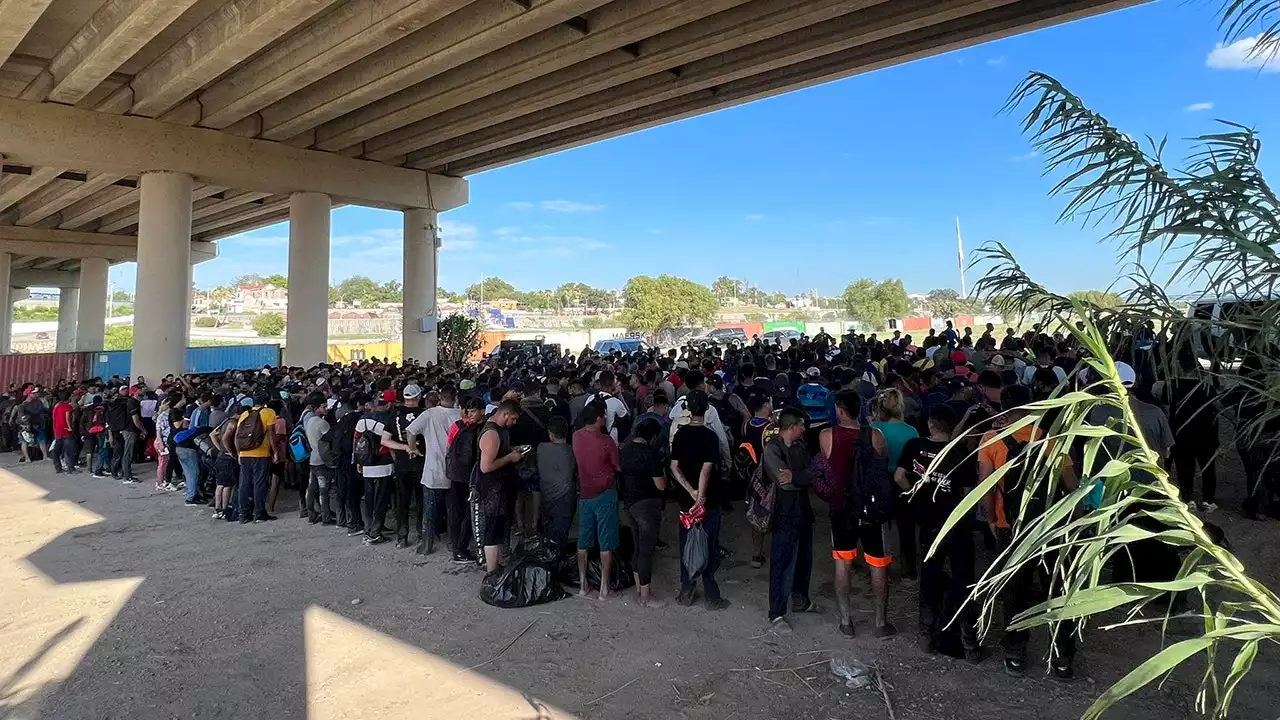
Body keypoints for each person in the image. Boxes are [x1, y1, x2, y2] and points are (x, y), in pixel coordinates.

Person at [979, 384, 1079, 680]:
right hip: (1049, 528)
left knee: (1014, 593)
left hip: (1010, 528)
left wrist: (991, 519)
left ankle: (1015, 654)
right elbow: (1071, 486)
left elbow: (985, 488)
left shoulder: (991, 439)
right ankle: (1063, 657)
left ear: (1005, 409)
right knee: (1056, 589)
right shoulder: (1052, 440)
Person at [895, 406, 980, 659]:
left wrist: (915, 493)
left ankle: (926, 635)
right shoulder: (961, 453)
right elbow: (967, 493)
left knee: (930, 576)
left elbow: (899, 476)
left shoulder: (914, 445)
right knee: (963, 579)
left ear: (930, 424)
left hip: (928, 522)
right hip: (955, 524)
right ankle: (967, 641)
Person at [819, 390, 893, 638]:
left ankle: (845, 620)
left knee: (842, 564)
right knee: (878, 565)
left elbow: (826, 467)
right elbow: (883, 463)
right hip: (872, 509)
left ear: (840, 410)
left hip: (841, 509)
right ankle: (880, 622)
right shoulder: (876, 436)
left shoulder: (827, 435)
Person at [669, 391, 729, 610]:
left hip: (686, 501)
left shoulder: (680, 435)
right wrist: (701, 496)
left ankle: (687, 590)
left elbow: (674, 467)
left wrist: (690, 492)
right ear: (706, 409)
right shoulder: (710, 436)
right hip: (709, 501)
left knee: (687, 544)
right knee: (710, 546)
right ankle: (712, 595)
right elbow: (706, 470)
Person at [762, 408, 817, 633]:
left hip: (802, 511)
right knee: (782, 562)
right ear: (793, 426)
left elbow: (814, 474)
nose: (804, 429)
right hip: (784, 513)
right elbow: (784, 482)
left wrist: (797, 476)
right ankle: (776, 612)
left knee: (804, 559)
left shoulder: (799, 447)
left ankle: (800, 599)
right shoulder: (772, 449)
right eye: (802, 425)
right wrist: (802, 477)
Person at [573, 404, 621, 600]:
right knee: (605, 542)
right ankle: (604, 588)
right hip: (605, 494)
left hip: (585, 493)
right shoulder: (606, 441)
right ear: (600, 419)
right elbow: (617, 466)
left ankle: (583, 585)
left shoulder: (576, 436)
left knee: (583, 541)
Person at [871, 388, 920, 578]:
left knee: (882, 526)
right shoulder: (911, 430)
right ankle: (910, 571)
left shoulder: (875, 428)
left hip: (882, 481)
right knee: (906, 528)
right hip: (904, 481)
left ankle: (882, 570)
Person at [406, 384, 461, 554]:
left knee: (429, 510)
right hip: (456, 470)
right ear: (455, 397)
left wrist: (413, 448)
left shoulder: (429, 414)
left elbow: (410, 431)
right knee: (454, 510)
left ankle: (427, 544)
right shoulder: (460, 414)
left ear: (439, 396)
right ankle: (454, 543)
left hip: (432, 470)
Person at [619, 417, 666, 607]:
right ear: (653, 437)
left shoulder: (625, 451)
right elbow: (661, 486)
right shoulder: (650, 455)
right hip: (647, 505)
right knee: (646, 551)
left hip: (629, 503)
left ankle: (639, 590)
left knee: (637, 547)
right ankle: (646, 597)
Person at [476, 400, 524, 572]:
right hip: (492, 490)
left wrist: (512, 450)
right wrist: (510, 458)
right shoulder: (492, 434)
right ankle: (491, 570)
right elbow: (486, 466)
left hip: (501, 488)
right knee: (493, 530)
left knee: (499, 528)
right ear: (504, 415)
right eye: (513, 419)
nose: (515, 423)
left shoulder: (499, 431)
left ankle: (497, 565)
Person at [380, 385, 426, 549]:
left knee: (402, 502)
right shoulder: (424, 414)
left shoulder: (395, 415)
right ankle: (422, 535)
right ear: (419, 397)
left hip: (401, 464)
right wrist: (412, 447)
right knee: (422, 501)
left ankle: (402, 537)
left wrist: (404, 448)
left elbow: (384, 440)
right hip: (422, 463)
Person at [355, 391, 395, 545]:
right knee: (381, 500)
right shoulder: (388, 420)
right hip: (383, 465)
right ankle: (375, 533)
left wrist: (359, 462)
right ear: (390, 404)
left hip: (366, 465)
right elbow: (388, 443)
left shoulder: (363, 419)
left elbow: (356, 441)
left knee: (369, 499)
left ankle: (370, 528)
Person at [234, 392, 278, 524]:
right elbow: (271, 434)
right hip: (261, 453)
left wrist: (238, 453)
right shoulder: (268, 412)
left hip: (244, 453)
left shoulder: (244, 414)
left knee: (244, 484)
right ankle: (259, 513)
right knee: (260, 483)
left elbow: (237, 435)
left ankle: (243, 513)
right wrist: (275, 452)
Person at [537, 415, 577, 550]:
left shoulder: (541, 448)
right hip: (566, 503)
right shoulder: (572, 451)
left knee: (548, 539)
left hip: (546, 501)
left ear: (551, 433)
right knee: (561, 539)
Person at [302, 391, 336, 525]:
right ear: (316, 408)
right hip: (322, 460)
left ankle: (311, 514)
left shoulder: (309, 420)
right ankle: (326, 516)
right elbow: (331, 440)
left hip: (313, 458)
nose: (326, 409)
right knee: (323, 490)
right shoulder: (322, 424)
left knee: (311, 488)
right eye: (323, 407)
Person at [50, 391, 80, 474]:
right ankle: (70, 468)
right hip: (66, 430)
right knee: (69, 450)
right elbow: (67, 418)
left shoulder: (56, 406)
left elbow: (53, 417)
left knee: (57, 449)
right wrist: (70, 428)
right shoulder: (68, 406)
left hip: (57, 429)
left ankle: (58, 468)